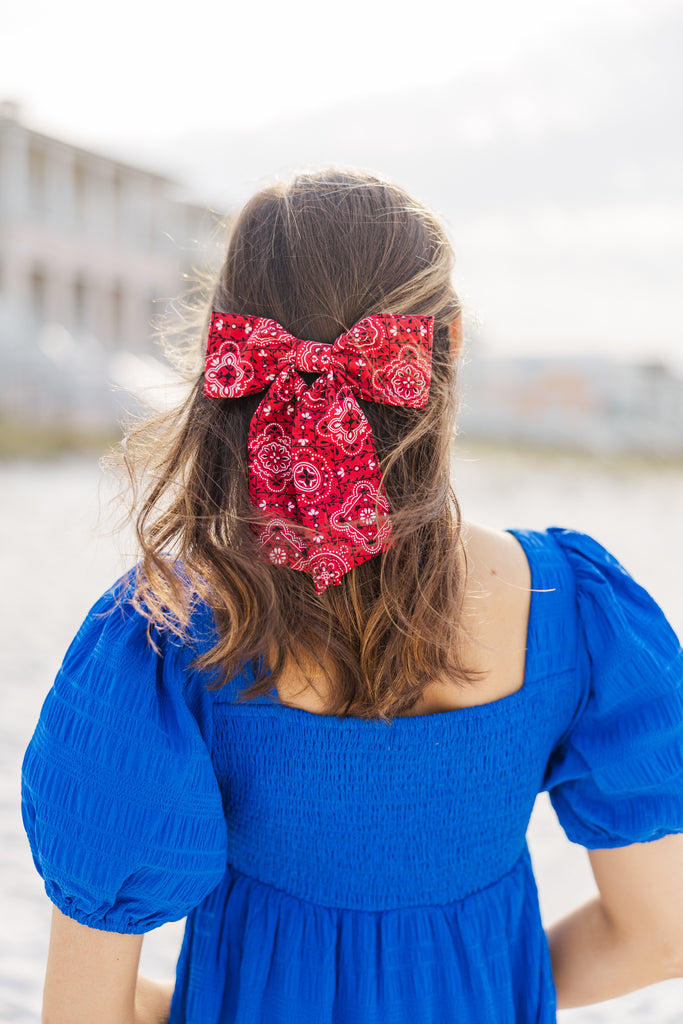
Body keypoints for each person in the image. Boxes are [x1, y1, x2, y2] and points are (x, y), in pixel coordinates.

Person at [21, 169, 683, 1024]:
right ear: (441, 358)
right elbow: (657, 933)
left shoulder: (162, 634)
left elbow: (84, 1014)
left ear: (226, 361)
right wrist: (468, 985)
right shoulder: (571, 605)